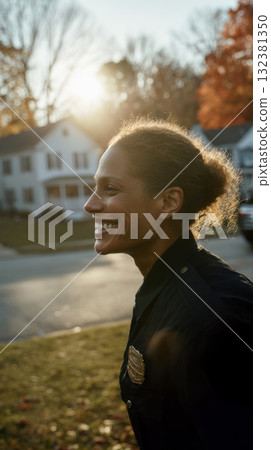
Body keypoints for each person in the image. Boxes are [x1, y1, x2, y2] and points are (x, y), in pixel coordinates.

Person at [84, 119, 253, 450]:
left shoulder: (214, 317)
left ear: (168, 202)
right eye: (95, 187)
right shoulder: (163, 285)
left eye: (111, 189)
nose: (90, 204)